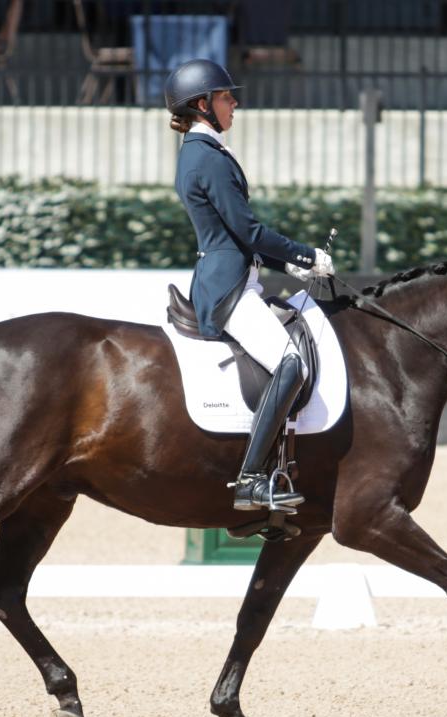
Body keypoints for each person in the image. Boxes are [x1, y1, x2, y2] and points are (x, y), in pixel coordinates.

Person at [164, 58, 334, 513]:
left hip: (234, 274)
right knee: (291, 363)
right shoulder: (208, 158)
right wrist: (307, 257)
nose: (234, 103)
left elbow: (235, 236)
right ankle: (252, 479)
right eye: (225, 97)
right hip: (227, 288)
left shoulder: (202, 153)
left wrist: (282, 265)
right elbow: (248, 231)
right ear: (202, 104)